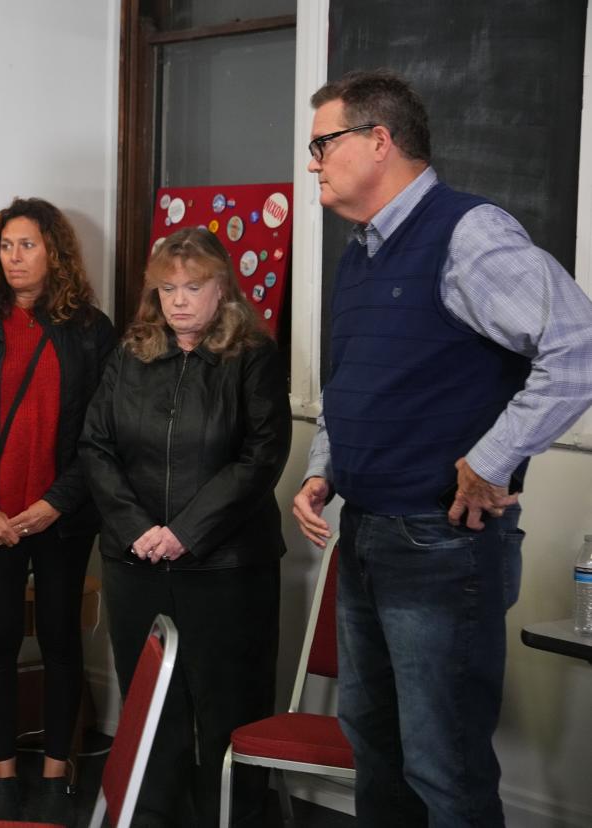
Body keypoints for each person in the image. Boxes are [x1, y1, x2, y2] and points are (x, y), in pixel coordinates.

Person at [292, 70, 592, 826]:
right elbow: (351, 381)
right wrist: (324, 470)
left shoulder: (468, 235)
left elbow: (578, 347)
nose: (312, 162)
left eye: (322, 143)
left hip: (439, 546)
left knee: (443, 765)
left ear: (379, 140)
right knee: (376, 748)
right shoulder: (359, 253)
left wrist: (490, 461)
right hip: (365, 535)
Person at [80, 227, 291, 827]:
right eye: (167, 288)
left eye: (192, 287)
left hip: (226, 569)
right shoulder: (131, 352)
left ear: (221, 287)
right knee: (151, 712)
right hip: (136, 561)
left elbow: (260, 457)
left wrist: (185, 532)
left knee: (229, 711)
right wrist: (137, 527)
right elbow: (96, 446)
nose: (177, 301)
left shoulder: (253, 355)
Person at [0, 197, 116, 823]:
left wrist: (54, 504)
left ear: (55, 252)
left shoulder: (92, 330)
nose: (14, 257)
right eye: (6, 245)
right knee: (2, 641)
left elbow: (102, 433)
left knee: (63, 639)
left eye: (28, 245)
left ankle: (59, 770)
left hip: (61, 518)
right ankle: (5, 772)